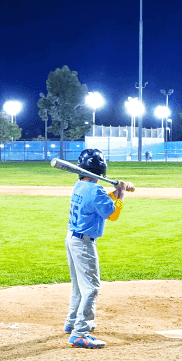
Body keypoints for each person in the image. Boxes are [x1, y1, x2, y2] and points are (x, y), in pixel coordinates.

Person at [64, 148, 127, 349]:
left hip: (72, 239)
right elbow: (113, 214)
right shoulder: (96, 190)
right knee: (91, 288)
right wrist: (122, 194)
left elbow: (100, 200)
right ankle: (80, 332)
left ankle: (72, 321)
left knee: (78, 286)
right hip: (84, 243)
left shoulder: (79, 186)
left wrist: (116, 191)